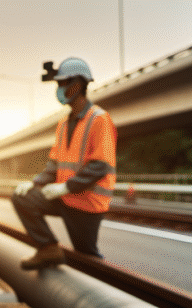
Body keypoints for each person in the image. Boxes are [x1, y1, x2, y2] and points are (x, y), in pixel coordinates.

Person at [12, 57, 117, 270]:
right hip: (65, 198)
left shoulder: (99, 119)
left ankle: (106, 290)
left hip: (88, 203)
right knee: (22, 198)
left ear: (76, 85)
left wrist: (65, 187)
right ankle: (48, 249)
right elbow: (55, 164)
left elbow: (100, 165)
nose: (58, 90)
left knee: (86, 258)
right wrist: (36, 182)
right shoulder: (62, 124)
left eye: (61, 84)